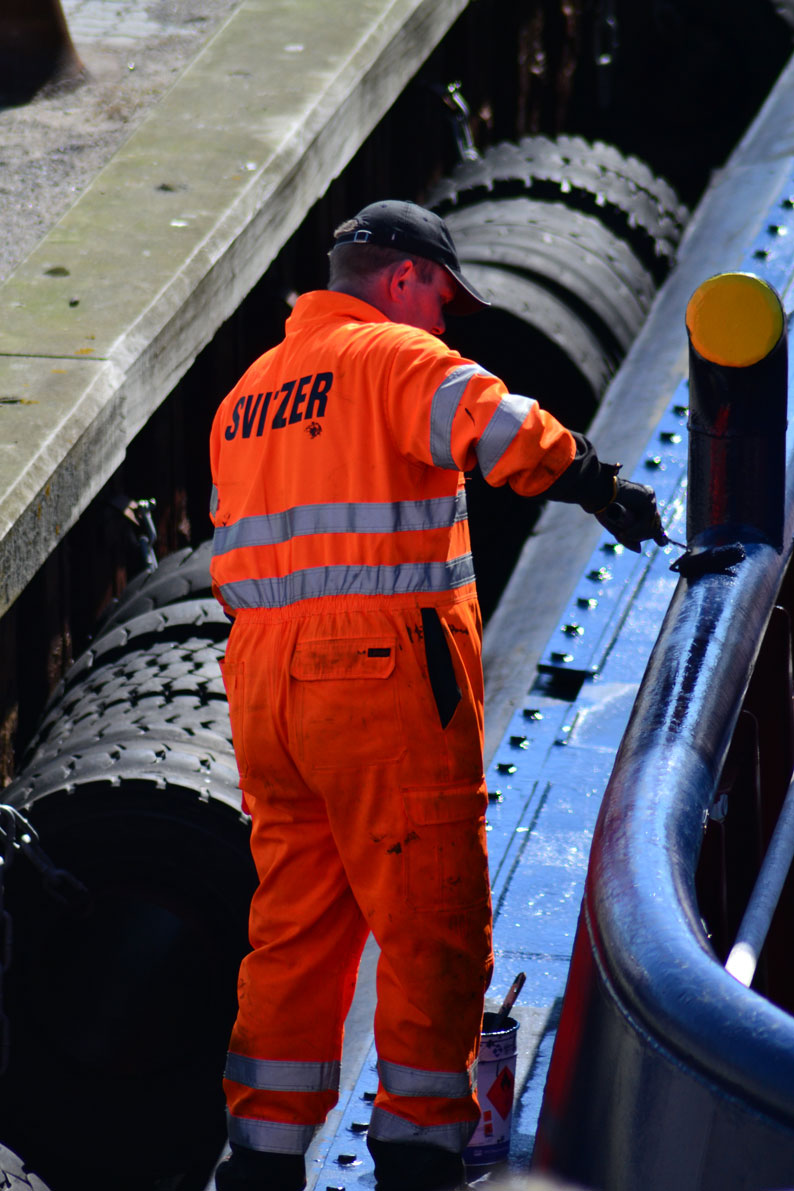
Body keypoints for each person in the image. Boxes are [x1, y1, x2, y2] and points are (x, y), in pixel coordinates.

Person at [208, 199, 665, 1191]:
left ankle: (263, 1158)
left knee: (294, 924)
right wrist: (594, 482)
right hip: (375, 677)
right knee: (430, 915)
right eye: (444, 301)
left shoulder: (245, 396)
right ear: (405, 277)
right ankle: (416, 1152)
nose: (445, 322)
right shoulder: (390, 359)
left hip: (261, 687)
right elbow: (497, 429)